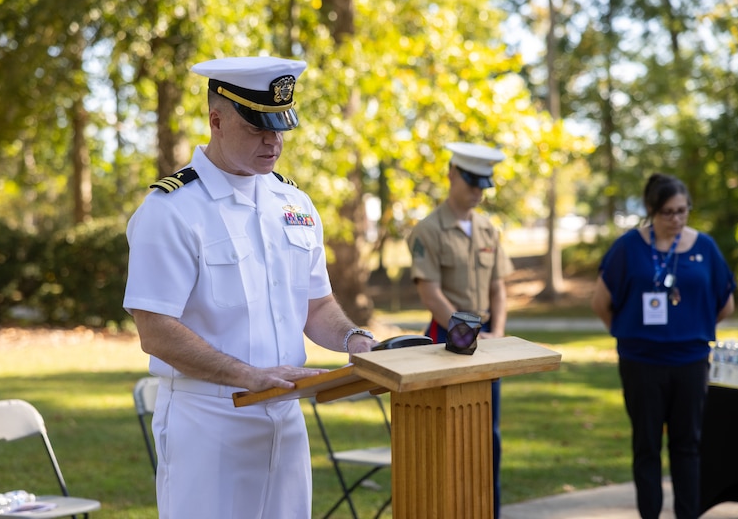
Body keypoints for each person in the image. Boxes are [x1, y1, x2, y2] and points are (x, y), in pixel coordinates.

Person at [122, 56, 377, 519]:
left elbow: (316, 306)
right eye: (258, 127)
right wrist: (249, 376)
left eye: (280, 126)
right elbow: (155, 329)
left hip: (286, 417)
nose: (273, 140)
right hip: (209, 422)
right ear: (216, 120)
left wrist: (354, 340)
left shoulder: (293, 202)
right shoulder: (172, 210)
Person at [591, 173, 736, 519]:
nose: (676, 219)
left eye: (682, 211)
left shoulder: (705, 248)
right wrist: (628, 336)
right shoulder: (629, 247)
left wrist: (692, 329)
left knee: (687, 447)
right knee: (647, 447)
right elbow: (600, 302)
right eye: (668, 212)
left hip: (690, 361)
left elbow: (726, 305)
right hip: (642, 362)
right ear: (652, 211)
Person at [406, 141, 514, 518]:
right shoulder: (428, 230)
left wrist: (496, 332)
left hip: (485, 342)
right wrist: (466, 334)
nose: (477, 191)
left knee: (487, 436)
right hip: (445, 341)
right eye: (471, 181)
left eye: (483, 183)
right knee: (445, 435)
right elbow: (429, 291)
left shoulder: (488, 230)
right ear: (452, 173)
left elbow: (499, 286)